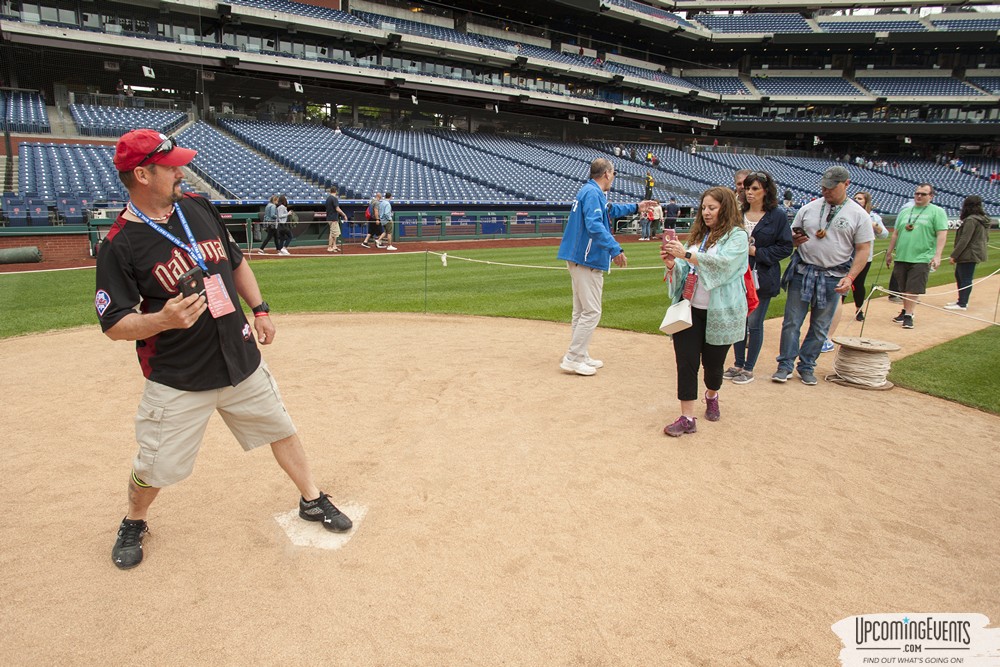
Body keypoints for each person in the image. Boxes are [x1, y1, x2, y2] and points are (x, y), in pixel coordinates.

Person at [95, 129, 352, 570]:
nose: (182, 171)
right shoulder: (120, 243)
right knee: (155, 466)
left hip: (240, 357)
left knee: (281, 428)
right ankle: (134, 519)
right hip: (179, 375)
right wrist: (162, 319)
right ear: (142, 174)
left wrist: (261, 308)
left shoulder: (197, 207)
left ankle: (311, 498)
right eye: (171, 166)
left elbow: (234, 262)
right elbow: (115, 324)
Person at [660, 187, 749, 436]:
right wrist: (672, 263)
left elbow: (725, 265)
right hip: (690, 309)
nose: (706, 212)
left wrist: (687, 254)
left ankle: (712, 394)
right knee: (686, 362)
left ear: (726, 208)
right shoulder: (700, 235)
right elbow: (684, 267)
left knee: (713, 366)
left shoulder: (737, 236)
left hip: (719, 311)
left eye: (712, 207)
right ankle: (687, 417)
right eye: (704, 208)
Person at [773, 166, 873, 386]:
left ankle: (807, 366)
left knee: (820, 326)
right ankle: (785, 365)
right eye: (824, 187)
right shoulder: (809, 208)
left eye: (831, 187)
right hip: (803, 271)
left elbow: (864, 249)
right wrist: (794, 240)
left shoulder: (858, 215)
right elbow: (791, 236)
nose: (826, 191)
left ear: (846, 184)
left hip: (833, 275)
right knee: (791, 322)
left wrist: (850, 278)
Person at [557, 158, 656, 376]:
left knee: (581, 311)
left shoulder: (591, 191)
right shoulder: (592, 193)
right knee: (591, 311)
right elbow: (595, 225)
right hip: (586, 258)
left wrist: (636, 207)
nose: (614, 177)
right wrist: (615, 248)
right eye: (613, 173)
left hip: (579, 256)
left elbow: (608, 211)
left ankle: (580, 354)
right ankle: (573, 357)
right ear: (607, 174)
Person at [722, 171, 793, 385]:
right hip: (737, 274)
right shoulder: (738, 213)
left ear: (765, 191)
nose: (749, 192)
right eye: (747, 188)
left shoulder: (777, 215)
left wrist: (758, 253)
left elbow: (785, 247)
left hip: (761, 275)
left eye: (755, 189)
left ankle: (748, 368)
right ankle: (737, 363)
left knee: (754, 323)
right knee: (738, 322)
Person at [821, 191, 889, 351]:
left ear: (867, 202)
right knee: (838, 293)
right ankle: (827, 331)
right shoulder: (846, 213)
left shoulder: (873, 217)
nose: (857, 200)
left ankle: (859, 309)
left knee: (858, 285)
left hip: (863, 258)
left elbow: (884, 234)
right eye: (856, 198)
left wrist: (875, 226)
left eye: (860, 198)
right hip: (844, 257)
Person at [885, 183, 948, 329]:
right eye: (917, 193)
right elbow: (896, 233)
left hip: (922, 256)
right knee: (903, 287)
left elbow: (941, 234)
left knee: (913, 288)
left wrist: (937, 255)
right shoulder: (905, 212)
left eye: (923, 194)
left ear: (931, 196)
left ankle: (908, 315)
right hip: (902, 255)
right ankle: (906, 310)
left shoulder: (937, 212)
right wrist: (889, 252)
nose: (919, 196)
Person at [945, 195, 991, 311]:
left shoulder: (971, 220)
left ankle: (962, 303)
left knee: (965, 277)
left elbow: (964, 239)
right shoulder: (981, 219)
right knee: (960, 276)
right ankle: (961, 300)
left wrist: (954, 255)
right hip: (973, 252)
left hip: (969, 253)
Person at [325, 186, 347, 253]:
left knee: (335, 233)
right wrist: (344, 215)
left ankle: (334, 246)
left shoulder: (328, 198)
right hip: (333, 218)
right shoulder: (334, 198)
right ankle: (329, 247)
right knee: (332, 233)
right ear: (336, 191)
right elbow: (337, 209)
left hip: (330, 217)